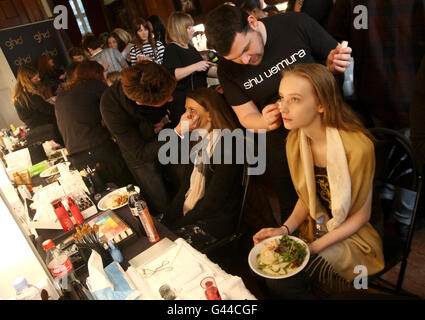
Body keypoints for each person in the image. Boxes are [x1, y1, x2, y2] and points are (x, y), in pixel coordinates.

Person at [205, 5, 351, 223]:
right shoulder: (228, 70)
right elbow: (246, 117)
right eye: (235, 58)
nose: (245, 61)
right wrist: (263, 121)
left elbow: (337, 64)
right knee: (293, 205)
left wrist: (332, 67)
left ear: (253, 22)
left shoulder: (294, 24)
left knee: (341, 196)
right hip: (281, 142)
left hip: (327, 125)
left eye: (246, 49)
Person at [253, 63, 384, 298]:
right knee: (267, 269)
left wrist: (312, 248)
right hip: (317, 226)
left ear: (322, 104)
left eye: (295, 99)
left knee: (285, 281)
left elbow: (361, 216)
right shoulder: (295, 141)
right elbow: (308, 197)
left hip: (354, 235)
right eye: (282, 97)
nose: (282, 107)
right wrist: (284, 228)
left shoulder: (357, 147)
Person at [327, 0, 425, 129]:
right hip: (375, 103)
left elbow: (331, 42)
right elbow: (332, 46)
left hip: (382, 102)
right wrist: (334, 59)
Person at [163, 87, 244, 241]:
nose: (186, 116)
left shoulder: (230, 146)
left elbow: (212, 203)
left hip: (216, 220)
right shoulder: (197, 140)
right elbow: (184, 189)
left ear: (211, 115)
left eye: (192, 110)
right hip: (197, 211)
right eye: (186, 109)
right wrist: (166, 224)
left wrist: (175, 229)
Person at [100, 61, 176, 216]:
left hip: (166, 137)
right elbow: (140, 153)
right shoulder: (110, 105)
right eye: (166, 97)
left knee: (182, 185)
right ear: (141, 103)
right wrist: (176, 132)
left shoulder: (152, 75)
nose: (171, 99)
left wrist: (166, 119)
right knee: (161, 201)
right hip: (139, 154)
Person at [55, 61, 133, 187]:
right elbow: (117, 109)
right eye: (103, 73)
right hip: (99, 150)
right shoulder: (94, 85)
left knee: (104, 197)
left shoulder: (61, 95)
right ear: (97, 74)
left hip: (76, 157)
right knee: (128, 187)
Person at [163, 11, 217, 127]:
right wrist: (195, 67)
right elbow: (172, 75)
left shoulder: (191, 48)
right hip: (184, 104)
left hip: (200, 99)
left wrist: (222, 72)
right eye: (189, 27)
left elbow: (204, 69)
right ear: (179, 29)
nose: (193, 29)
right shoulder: (172, 49)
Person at [12, 65, 62, 155]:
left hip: (36, 128)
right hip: (46, 128)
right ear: (27, 80)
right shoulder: (29, 95)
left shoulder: (19, 95)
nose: (39, 79)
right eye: (35, 79)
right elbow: (47, 109)